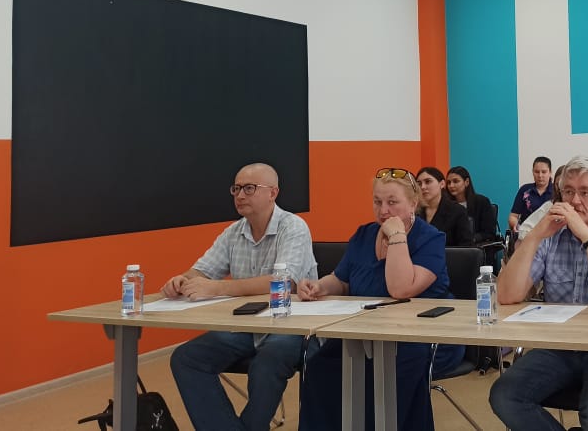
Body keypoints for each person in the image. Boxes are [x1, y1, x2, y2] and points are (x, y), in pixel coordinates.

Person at [297, 168, 462, 430]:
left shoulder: (430, 238)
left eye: (392, 202)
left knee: (389, 375)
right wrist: (319, 286)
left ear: (413, 204)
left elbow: (400, 289)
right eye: (377, 202)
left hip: (420, 337)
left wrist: (397, 236)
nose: (383, 210)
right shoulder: (363, 235)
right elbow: (341, 279)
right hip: (365, 332)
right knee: (320, 367)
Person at [490, 156, 588, 431]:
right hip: (559, 346)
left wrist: (586, 235)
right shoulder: (550, 233)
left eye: (585, 192)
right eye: (568, 192)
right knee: (505, 395)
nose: (574, 201)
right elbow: (505, 294)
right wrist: (535, 236)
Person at [164, 163, 316, 431]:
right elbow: (203, 270)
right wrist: (182, 280)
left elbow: (283, 282)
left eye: (249, 188)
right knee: (187, 358)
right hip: (246, 325)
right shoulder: (233, 232)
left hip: (291, 325)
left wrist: (218, 288)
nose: (240, 195)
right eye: (236, 189)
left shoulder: (293, 227)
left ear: (273, 193)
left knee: (267, 363)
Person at [415, 166, 472, 246]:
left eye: (428, 182)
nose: (423, 187)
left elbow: (466, 246)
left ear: (442, 184)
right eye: (419, 184)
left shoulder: (457, 211)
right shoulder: (414, 211)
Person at [446, 165, 499, 244]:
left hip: (474, 246)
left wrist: (471, 239)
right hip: (451, 246)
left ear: (466, 182)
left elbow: (489, 233)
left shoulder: (482, 202)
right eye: (448, 182)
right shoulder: (446, 205)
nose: (451, 185)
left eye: (456, 181)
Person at [517, 164, 565, 241]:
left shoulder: (581, 209)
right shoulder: (549, 206)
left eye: (566, 186)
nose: (561, 189)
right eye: (558, 184)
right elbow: (524, 231)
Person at [508, 155, 554, 231]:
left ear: (550, 172)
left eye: (544, 172)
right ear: (533, 172)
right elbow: (513, 216)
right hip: (526, 232)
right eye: (537, 172)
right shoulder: (524, 190)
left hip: (550, 232)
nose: (540, 175)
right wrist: (515, 226)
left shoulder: (557, 191)